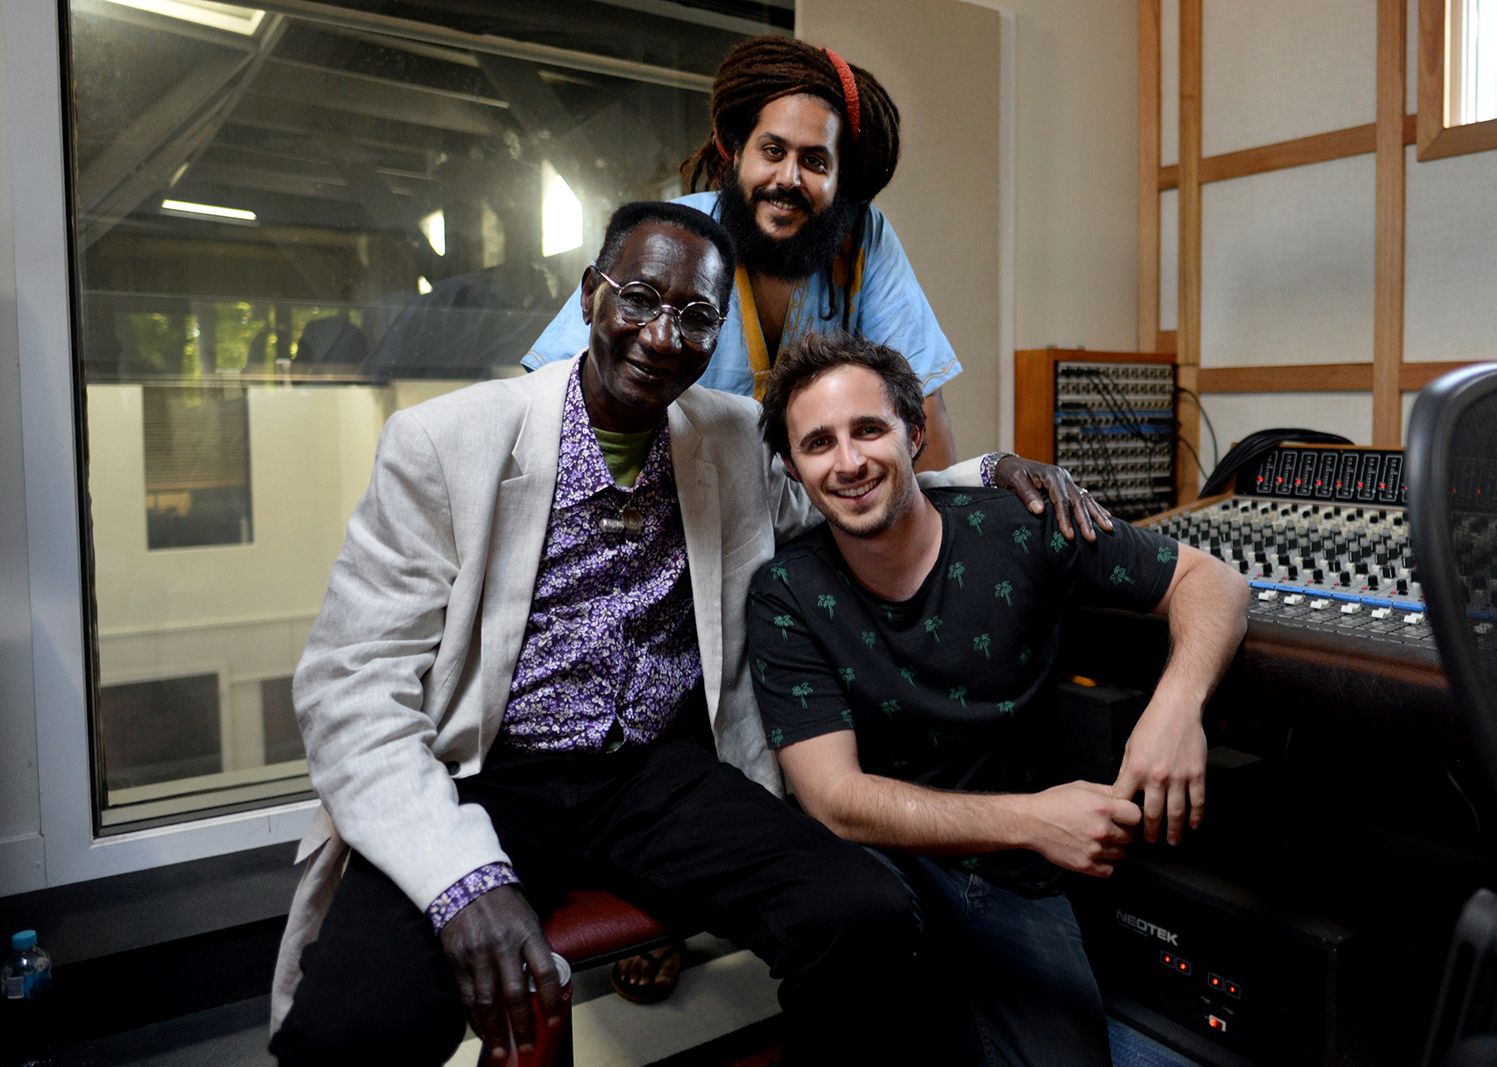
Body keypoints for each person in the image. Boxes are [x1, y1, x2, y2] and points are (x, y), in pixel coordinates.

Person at [267, 202, 1079, 1066]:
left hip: (654, 774)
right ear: (592, 293)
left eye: (695, 316)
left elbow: (843, 494)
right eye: (639, 299)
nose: (661, 335)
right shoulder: (445, 442)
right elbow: (349, 691)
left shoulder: (728, 434)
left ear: (716, 332)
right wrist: (462, 882)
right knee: (347, 1027)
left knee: (862, 913)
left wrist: (988, 472)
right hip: (486, 774)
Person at [746, 333, 1250, 1066]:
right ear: (793, 469)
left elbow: (1213, 581)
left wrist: (1176, 710)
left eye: (869, 429)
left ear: (915, 434)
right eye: (818, 443)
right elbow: (836, 799)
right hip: (877, 871)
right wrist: (1036, 820)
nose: (848, 462)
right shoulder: (786, 592)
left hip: (1012, 876)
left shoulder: (1021, 526)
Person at [525, 35, 1013, 475]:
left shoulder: (864, 237)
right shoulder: (676, 232)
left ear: (841, 179)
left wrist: (944, 528)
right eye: (773, 151)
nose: (789, 179)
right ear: (736, 152)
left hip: (812, 511)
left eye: (815, 161)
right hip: (674, 499)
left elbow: (918, 404)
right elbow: (552, 387)